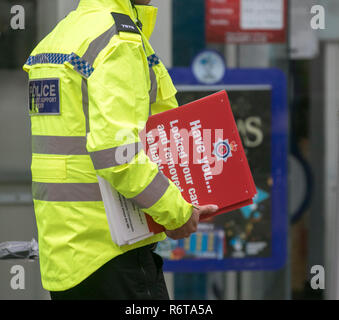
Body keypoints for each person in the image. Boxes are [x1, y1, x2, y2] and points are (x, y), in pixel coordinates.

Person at [23, 0, 218, 300]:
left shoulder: (60, 36)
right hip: (113, 254)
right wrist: (177, 214)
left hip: (68, 258)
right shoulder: (116, 39)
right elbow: (118, 154)